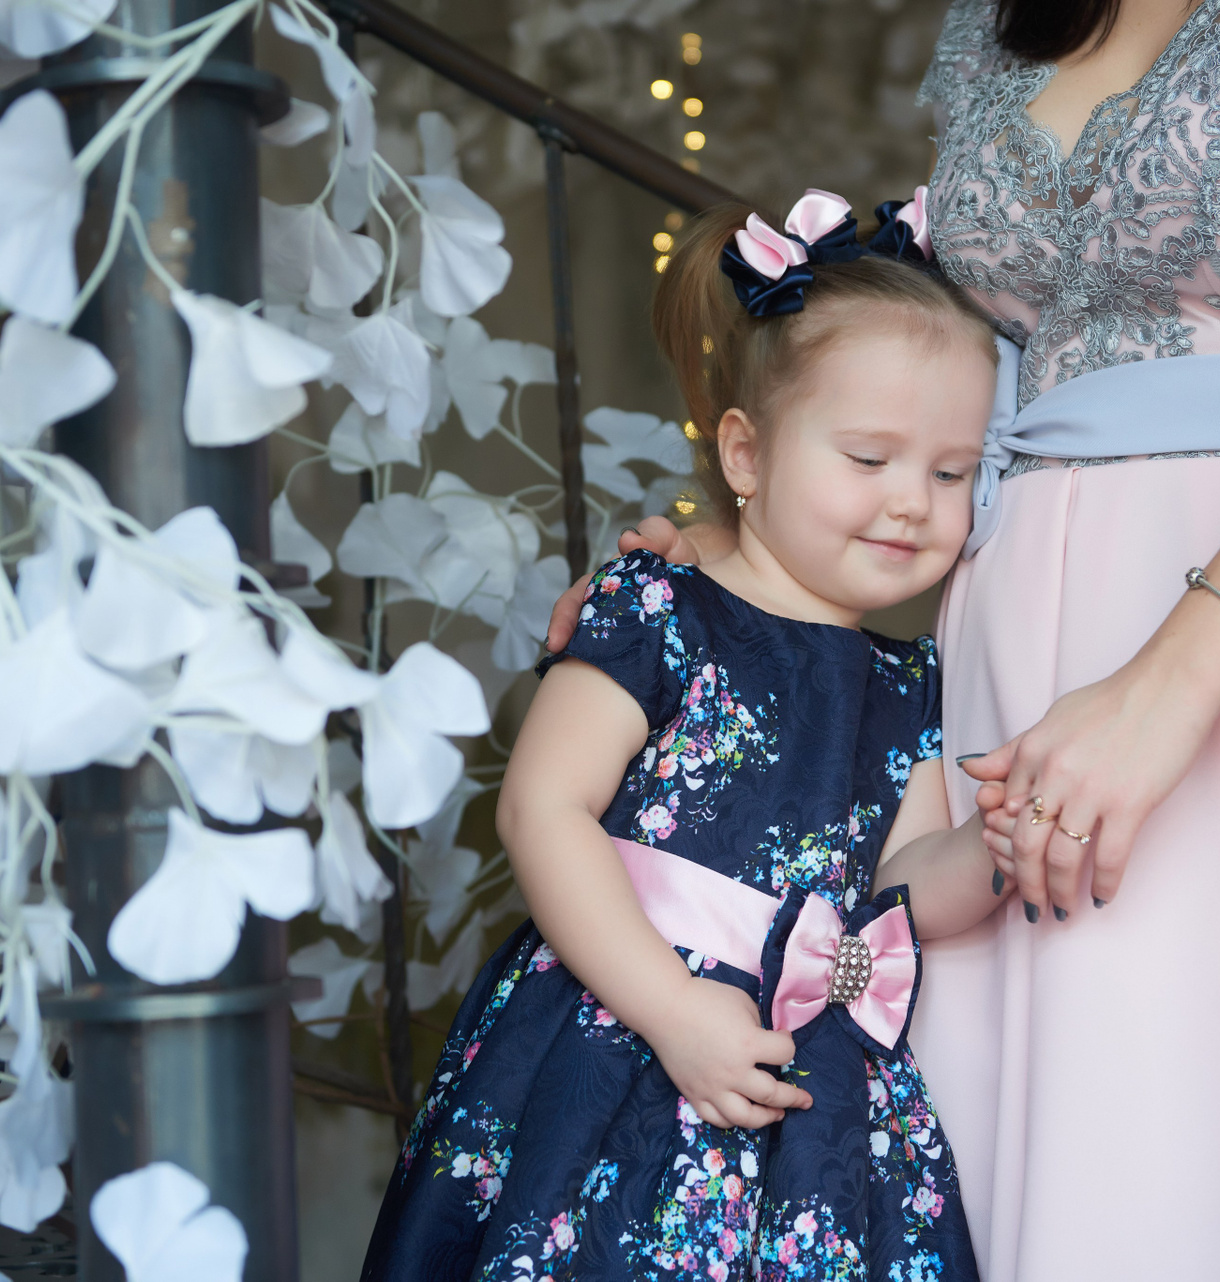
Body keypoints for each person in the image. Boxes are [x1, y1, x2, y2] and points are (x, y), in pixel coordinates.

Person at [547, 0, 1220, 1277]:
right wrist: (736, 569)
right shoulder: (1000, 19)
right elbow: (925, 373)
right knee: (1066, 1154)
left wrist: (1170, 682)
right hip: (1022, 651)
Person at [363, 190, 1011, 1281]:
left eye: (951, 473)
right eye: (869, 459)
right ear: (746, 456)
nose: (913, 502)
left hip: (803, 1094)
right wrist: (669, 1009)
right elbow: (542, 807)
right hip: (623, 1033)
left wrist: (1000, 839)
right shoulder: (657, 606)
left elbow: (903, 880)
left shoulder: (909, 683)